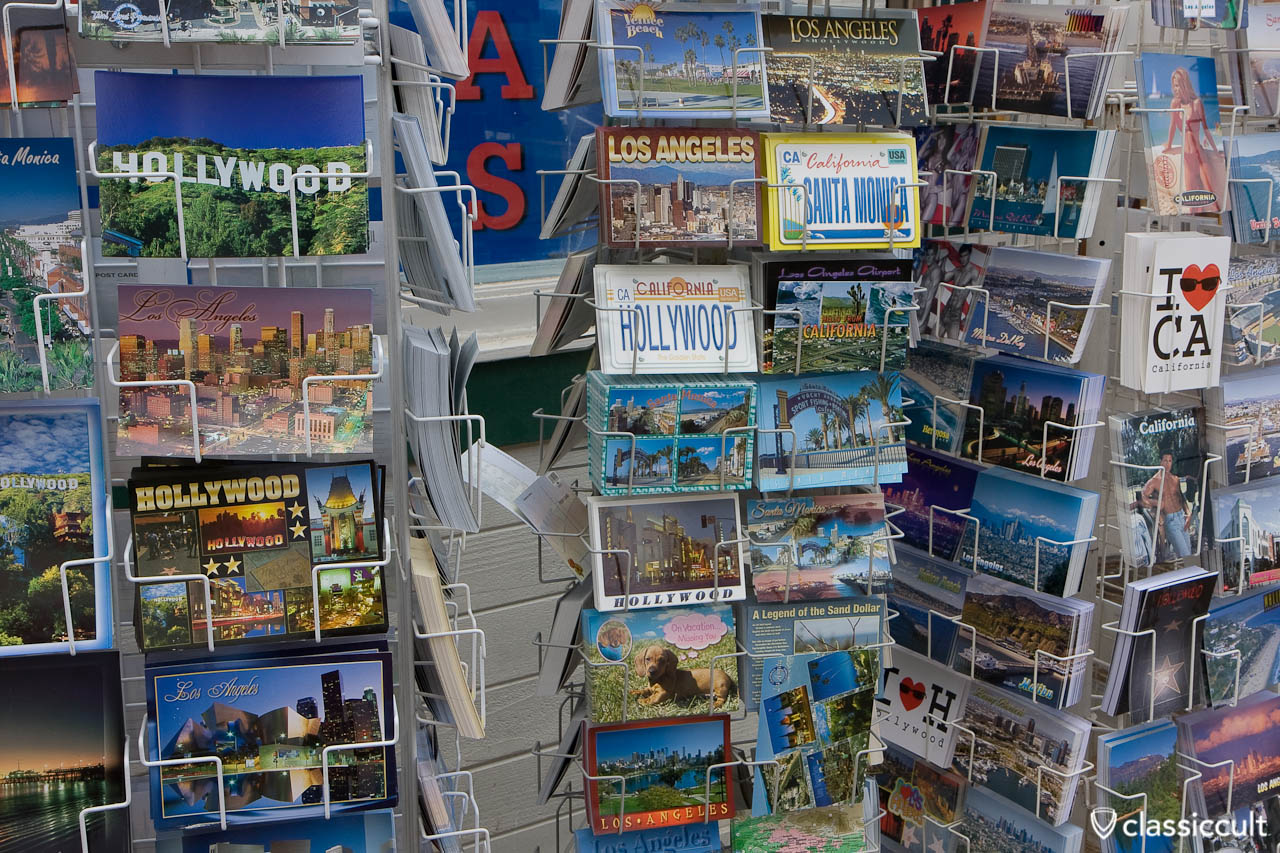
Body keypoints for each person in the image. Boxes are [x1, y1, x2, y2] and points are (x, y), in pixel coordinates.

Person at [1165, 65, 1224, 212]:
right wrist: (1169, 144)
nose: (1175, 89)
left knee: (1210, 195)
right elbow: (1172, 126)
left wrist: (1216, 150)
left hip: (1199, 153)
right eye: (1174, 86)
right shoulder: (1175, 103)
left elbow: (1206, 129)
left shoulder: (1197, 103)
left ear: (1185, 84)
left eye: (1178, 85)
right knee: (1191, 199)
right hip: (1187, 155)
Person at [1137, 449, 1195, 558]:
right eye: (1165, 460)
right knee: (1185, 554)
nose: (1167, 464)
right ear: (1160, 461)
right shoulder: (1154, 481)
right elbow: (1142, 497)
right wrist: (1156, 503)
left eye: (1170, 461)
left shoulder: (1175, 479)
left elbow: (1181, 497)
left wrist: (1188, 513)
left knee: (1189, 553)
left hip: (1181, 517)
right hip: (1170, 521)